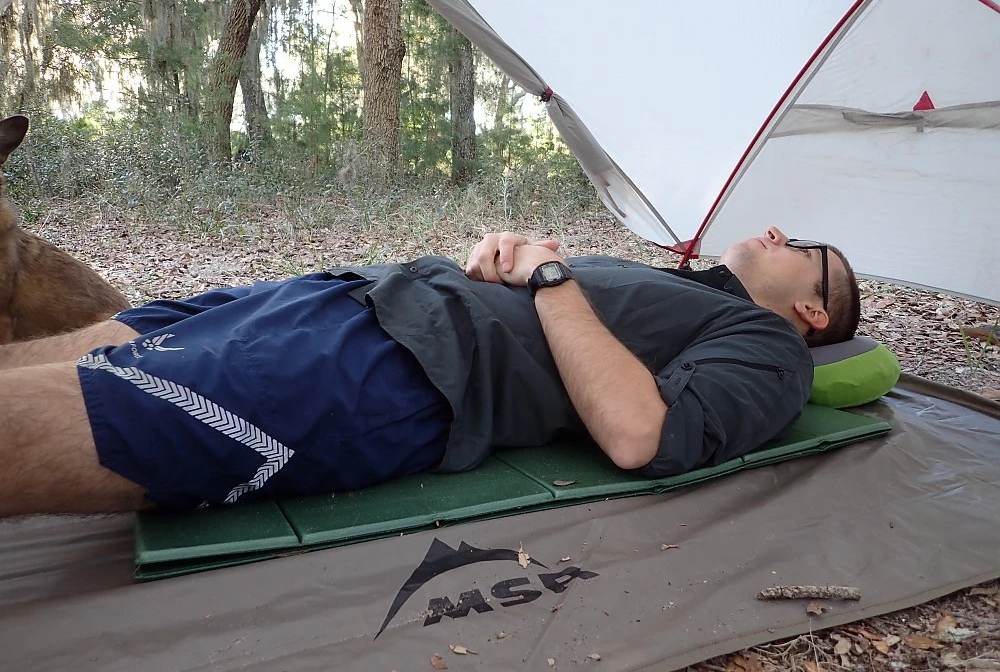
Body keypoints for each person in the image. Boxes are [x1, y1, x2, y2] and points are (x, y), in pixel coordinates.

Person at [0, 225, 860, 517]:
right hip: (354, 294)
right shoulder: (688, 290)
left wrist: (550, 279)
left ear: (812, 312)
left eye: (802, 246)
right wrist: (508, 258)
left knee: (99, 404)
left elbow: (642, 434)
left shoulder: (770, 349)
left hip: (399, 369)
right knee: (101, 341)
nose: (775, 231)